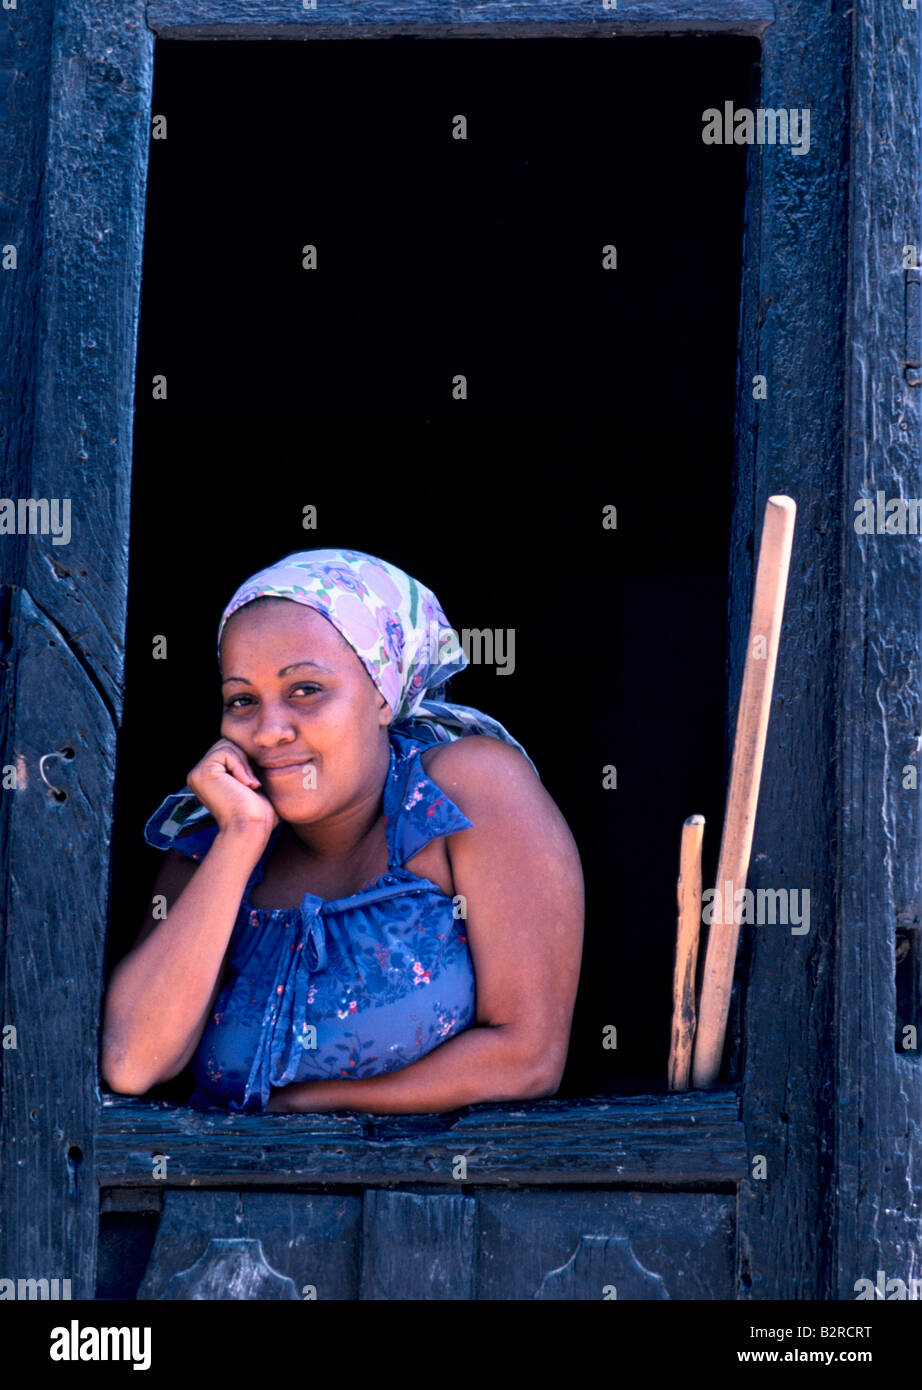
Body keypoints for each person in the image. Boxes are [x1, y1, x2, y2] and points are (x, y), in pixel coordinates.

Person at [101, 548, 584, 1114]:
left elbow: (528, 1059)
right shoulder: (213, 837)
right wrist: (240, 839)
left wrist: (301, 1110)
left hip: (424, 1201)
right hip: (230, 1207)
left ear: (383, 695)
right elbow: (132, 1063)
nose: (270, 730)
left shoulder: (465, 791)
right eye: (242, 700)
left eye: (306, 689)